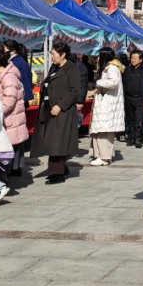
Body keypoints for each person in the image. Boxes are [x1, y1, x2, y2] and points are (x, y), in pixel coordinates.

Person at [31, 42, 80, 185]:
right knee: (51, 140)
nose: (51, 57)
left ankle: (57, 173)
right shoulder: (54, 68)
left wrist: (60, 105)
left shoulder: (72, 69)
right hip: (48, 109)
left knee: (58, 142)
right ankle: (61, 168)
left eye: (53, 54)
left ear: (63, 54)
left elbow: (74, 91)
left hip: (62, 111)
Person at [0, 48, 27, 195]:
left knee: (2, 151)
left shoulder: (8, 78)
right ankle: (1, 181)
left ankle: (2, 182)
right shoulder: (2, 76)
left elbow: (8, 104)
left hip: (8, 121)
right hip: (5, 120)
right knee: (1, 151)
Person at [88, 47, 125, 166]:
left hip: (107, 105)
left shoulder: (111, 68)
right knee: (103, 131)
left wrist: (98, 83)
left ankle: (103, 157)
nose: (97, 59)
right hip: (107, 103)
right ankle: (104, 156)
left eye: (99, 56)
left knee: (103, 131)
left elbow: (114, 82)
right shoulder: (109, 67)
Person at [123, 51, 143, 147]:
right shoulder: (127, 70)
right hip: (128, 98)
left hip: (140, 98)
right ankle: (131, 138)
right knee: (130, 119)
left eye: (135, 59)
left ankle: (138, 138)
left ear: (140, 60)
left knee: (138, 119)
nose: (132, 60)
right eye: (131, 58)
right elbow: (123, 82)